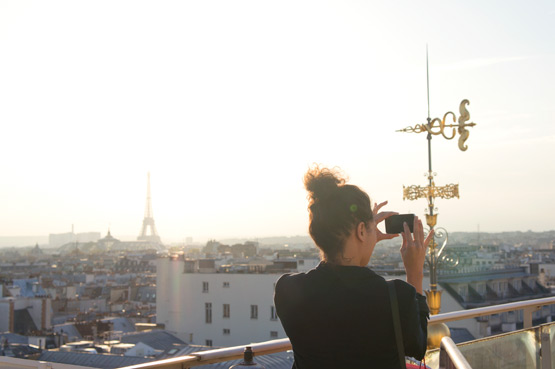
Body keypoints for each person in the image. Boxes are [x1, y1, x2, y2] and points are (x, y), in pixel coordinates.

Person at [274, 166, 433, 369]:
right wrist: (415, 273)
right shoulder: (395, 296)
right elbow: (417, 348)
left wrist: (363, 236)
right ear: (360, 230)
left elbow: (329, 278)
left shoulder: (288, 290)